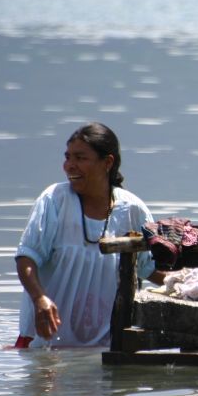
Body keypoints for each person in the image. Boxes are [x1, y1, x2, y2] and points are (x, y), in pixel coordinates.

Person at [14, 122, 165, 348]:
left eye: (80, 158)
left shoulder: (132, 209)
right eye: (68, 157)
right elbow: (27, 257)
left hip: (105, 346)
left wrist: (193, 285)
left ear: (107, 163)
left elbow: (148, 268)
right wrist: (39, 299)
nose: (70, 166)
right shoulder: (54, 200)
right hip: (44, 344)